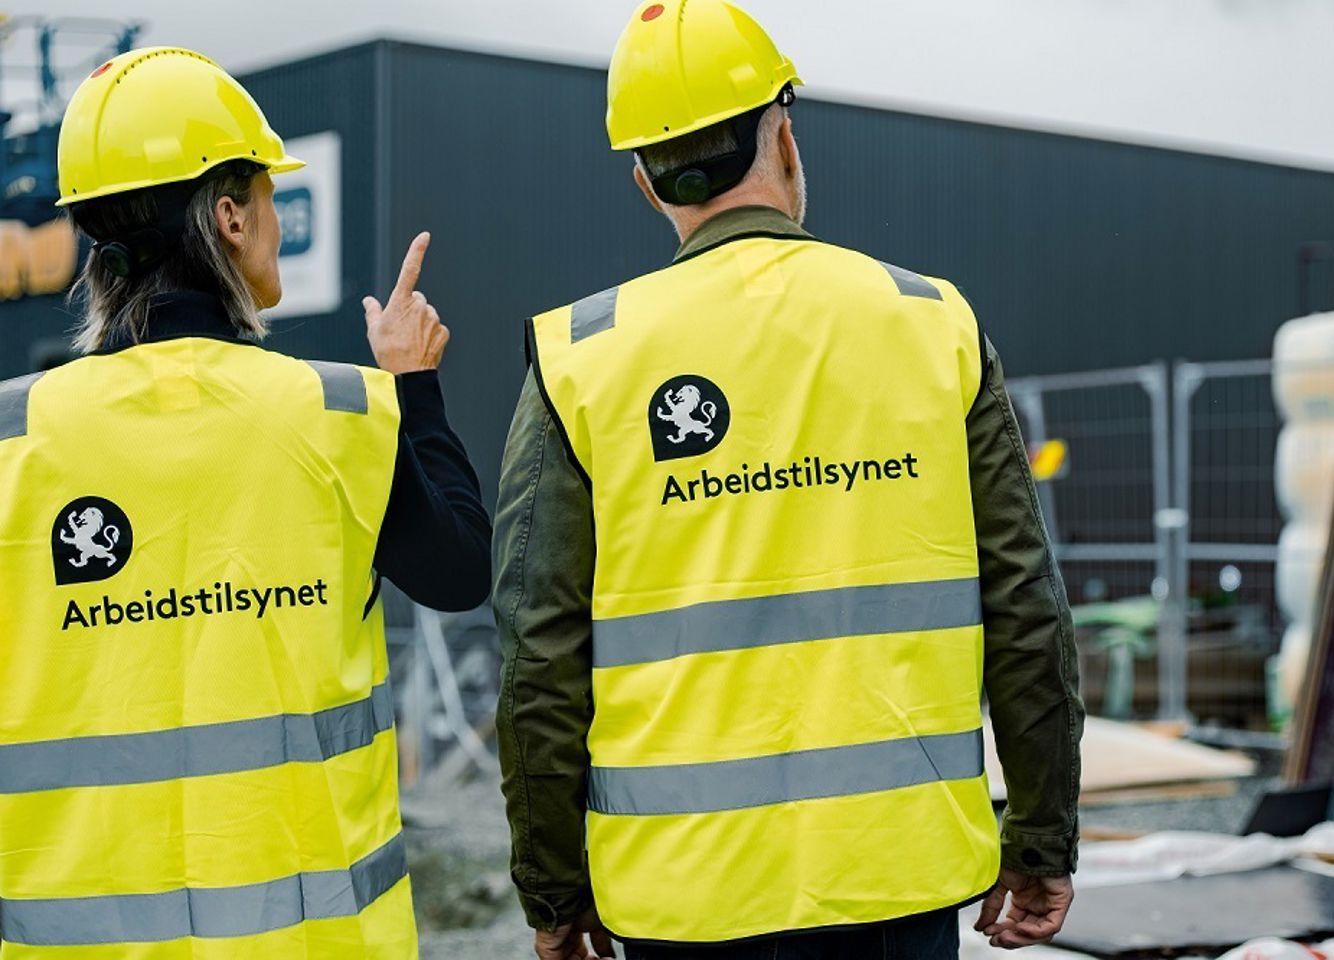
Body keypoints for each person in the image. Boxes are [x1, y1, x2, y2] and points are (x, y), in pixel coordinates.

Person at [493, 2, 1084, 957]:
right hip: (898, 878)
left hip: (680, 892)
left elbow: (539, 654)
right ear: (786, 138)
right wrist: (1043, 836)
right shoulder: (931, 323)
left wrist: (555, 892)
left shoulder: (580, 356)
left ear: (646, 181)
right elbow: (1025, 604)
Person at [0, 47, 490, 957]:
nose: (271, 217)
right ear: (228, 216)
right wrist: (414, 388)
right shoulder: (337, 411)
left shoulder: (12, 442)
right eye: (264, 194)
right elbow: (462, 571)